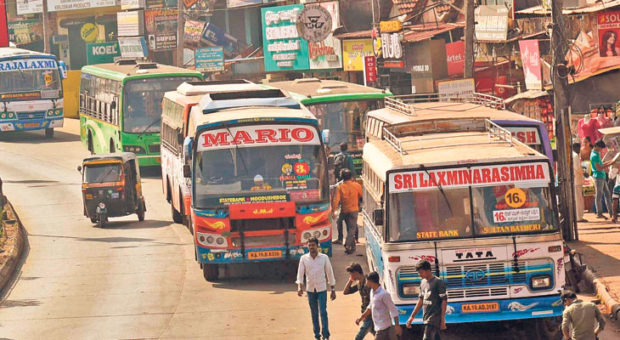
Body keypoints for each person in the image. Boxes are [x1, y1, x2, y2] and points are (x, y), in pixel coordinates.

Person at [296, 237, 336, 340]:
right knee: (314, 313)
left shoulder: (324, 258)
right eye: (309, 245)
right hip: (310, 290)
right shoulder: (304, 258)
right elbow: (300, 274)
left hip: (322, 289)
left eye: (313, 245)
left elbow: (329, 273)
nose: (311, 247)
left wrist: (332, 289)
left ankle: (326, 335)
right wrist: (300, 287)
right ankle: (317, 335)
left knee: (323, 312)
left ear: (317, 246)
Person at [406, 260, 447, 340]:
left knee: (426, 338)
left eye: (421, 272)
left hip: (434, 317)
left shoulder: (438, 282)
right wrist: (412, 317)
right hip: (426, 317)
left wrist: (442, 320)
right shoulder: (423, 282)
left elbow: (444, 301)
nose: (419, 275)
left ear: (428, 271)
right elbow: (420, 300)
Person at [355, 271, 402, 340]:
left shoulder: (384, 294)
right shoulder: (372, 292)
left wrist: (397, 325)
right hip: (378, 327)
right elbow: (370, 307)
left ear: (371, 281)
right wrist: (361, 318)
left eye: (367, 280)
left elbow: (393, 309)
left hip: (384, 328)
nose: (366, 282)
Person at [332, 169, 362, 254]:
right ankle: (349, 245)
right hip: (354, 210)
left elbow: (336, 200)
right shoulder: (357, 185)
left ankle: (349, 245)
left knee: (341, 223)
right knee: (351, 229)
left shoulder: (340, 187)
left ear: (342, 178)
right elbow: (362, 195)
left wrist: (333, 211)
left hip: (344, 211)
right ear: (351, 176)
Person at [344, 263, 375, 340]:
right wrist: (350, 280)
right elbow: (346, 292)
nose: (350, 276)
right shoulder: (359, 283)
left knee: (358, 337)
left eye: (351, 274)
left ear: (357, 273)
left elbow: (373, 302)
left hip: (370, 314)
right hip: (366, 313)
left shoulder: (367, 284)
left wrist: (363, 317)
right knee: (375, 333)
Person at [591, 140, 614, 219]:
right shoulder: (595, 155)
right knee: (599, 195)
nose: (601, 150)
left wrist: (610, 162)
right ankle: (599, 213)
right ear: (597, 146)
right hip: (598, 177)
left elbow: (601, 165)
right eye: (600, 148)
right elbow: (599, 168)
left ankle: (611, 212)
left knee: (607, 194)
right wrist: (610, 163)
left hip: (601, 176)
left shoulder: (596, 154)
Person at [573, 142, 587, 222]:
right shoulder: (575, 156)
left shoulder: (574, 155)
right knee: (578, 200)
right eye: (578, 148)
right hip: (577, 181)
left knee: (578, 199)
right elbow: (578, 168)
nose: (579, 150)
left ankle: (579, 216)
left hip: (577, 181)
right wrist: (585, 173)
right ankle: (579, 217)